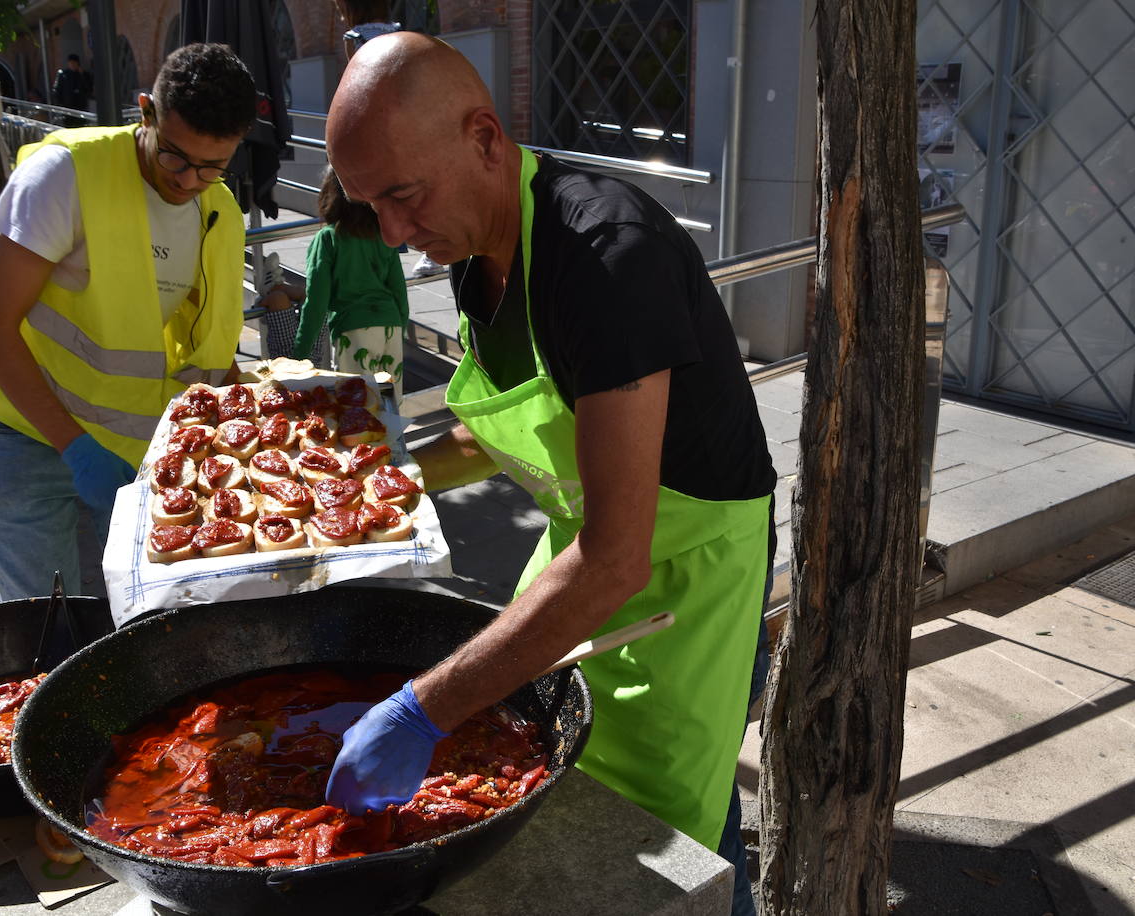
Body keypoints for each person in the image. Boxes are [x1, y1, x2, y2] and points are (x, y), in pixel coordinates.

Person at [322, 35, 776, 916]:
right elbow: (520, 437)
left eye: (402, 197)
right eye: (371, 205)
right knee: (548, 791)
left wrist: (418, 710)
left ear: (485, 138)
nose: (393, 236)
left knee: (682, 853)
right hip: (581, 556)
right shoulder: (478, 255)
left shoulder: (606, 257)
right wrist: (378, 480)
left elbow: (618, 560)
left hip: (687, 586)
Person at [0, 43, 256, 600]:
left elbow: (208, 343)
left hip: (126, 446)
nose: (189, 180)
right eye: (174, 156)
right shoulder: (67, 173)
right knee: (44, 620)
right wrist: (75, 448)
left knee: (140, 613)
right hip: (20, 432)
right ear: (145, 111)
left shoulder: (220, 211)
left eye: (212, 165)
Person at [262, 167, 409, 401]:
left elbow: (317, 301)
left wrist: (301, 354)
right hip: (391, 325)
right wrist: (399, 325)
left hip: (353, 328)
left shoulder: (328, 238)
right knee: (391, 401)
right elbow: (399, 290)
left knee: (356, 404)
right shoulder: (382, 236)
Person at [331, 0, 444, 280]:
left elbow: (354, 88)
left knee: (379, 194)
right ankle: (431, 251)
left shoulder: (354, 39)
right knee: (415, 187)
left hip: (376, 129)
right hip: (408, 122)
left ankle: (381, 254)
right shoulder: (398, 32)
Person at [51, 54, 94, 125]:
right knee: (69, 125)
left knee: (80, 125)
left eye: (74, 63)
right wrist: (60, 103)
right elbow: (57, 90)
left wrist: (82, 75)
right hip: (68, 106)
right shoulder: (63, 74)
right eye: (70, 63)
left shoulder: (84, 74)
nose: (72, 65)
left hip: (80, 106)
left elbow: (89, 88)